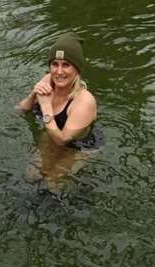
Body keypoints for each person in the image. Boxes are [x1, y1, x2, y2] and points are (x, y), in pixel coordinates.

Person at [17, 33, 103, 191]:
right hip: (51, 135)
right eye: (55, 64)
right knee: (30, 177)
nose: (59, 71)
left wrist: (46, 107)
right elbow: (20, 110)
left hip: (80, 147)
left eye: (66, 65)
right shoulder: (48, 81)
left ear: (77, 69)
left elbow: (62, 140)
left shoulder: (84, 101)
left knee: (50, 186)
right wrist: (33, 94)